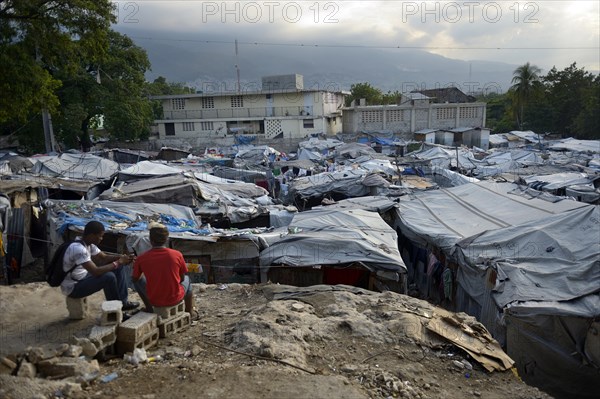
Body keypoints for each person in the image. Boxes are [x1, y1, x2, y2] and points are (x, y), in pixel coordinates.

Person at [61, 221, 139, 311]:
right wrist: (119, 262)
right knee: (109, 277)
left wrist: (122, 257)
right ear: (91, 236)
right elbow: (95, 271)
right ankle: (115, 311)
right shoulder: (79, 250)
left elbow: (104, 257)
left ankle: (123, 302)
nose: (101, 239)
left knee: (118, 268)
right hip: (73, 288)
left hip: (82, 277)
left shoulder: (87, 244)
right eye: (100, 236)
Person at [132, 223, 195, 316]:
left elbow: (134, 279)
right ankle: (190, 311)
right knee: (187, 279)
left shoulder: (141, 258)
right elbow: (181, 279)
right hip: (175, 298)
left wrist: (137, 267)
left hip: (154, 299)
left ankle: (149, 309)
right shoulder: (177, 254)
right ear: (166, 239)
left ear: (150, 240)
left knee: (136, 280)